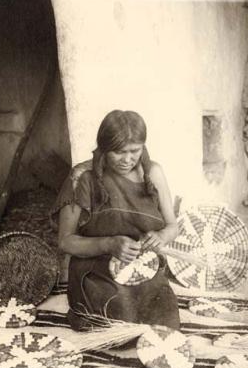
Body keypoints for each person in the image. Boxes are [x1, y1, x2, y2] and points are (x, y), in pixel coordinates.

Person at [51, 110, 180, 331]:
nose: (127, 160)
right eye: (119, 152)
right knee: (121, 314)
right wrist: (109, 244)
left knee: (166, 319)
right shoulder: (82, 177)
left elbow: (173, 226)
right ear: (103, 148)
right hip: (95, 267)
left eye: (135, 151)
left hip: (141, 266)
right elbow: (65, 241)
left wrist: (161, 236)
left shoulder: (153, 173)